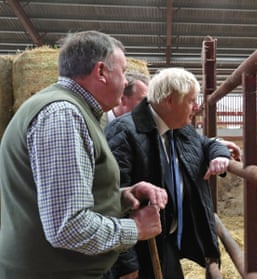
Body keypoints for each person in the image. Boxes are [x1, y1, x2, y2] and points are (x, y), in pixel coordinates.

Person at [0, 30, 168, 279]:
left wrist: (121, 197)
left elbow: (62, 198)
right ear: (101, 72)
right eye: (122, 72)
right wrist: (136, 228)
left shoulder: (76, 111)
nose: (125, 83)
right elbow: (67, 227)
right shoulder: (63, 115)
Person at [105, 67, 239, 278]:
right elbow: (111, 200)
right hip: (140, 246)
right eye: (191, 100)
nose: (196, 107)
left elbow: (205, 143)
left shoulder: (179, 128)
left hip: (166, 240)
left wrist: (220, 154)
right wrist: (126, 264)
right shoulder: (124, 132)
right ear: (169, 101)